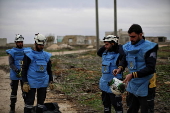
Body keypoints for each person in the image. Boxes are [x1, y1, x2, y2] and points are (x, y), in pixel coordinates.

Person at [113, 24, 158, 113]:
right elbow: (125, 59)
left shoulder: (149, 48)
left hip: (147, 83)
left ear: (140, 34)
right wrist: (120, 68)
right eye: (130, 36)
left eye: (133, 37)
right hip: (133, 82)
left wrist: (133, 75)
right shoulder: (128, 46)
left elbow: (150, 68)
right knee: (132, 108)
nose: (131, 39)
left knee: (146, 109)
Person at [21, 33, 54, 113]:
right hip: (31, 82)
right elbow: (24, 69)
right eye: (39, 45)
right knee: (29, 104)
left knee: (41, 104)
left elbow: (49, 69)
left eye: (42, 45)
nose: (41, 46)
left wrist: (51, 80)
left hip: (43, 81)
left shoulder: (46, 55)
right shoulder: (28, 55)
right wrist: (25, 82)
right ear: (35, 43)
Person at [97, 35, 125, 113]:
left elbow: (123, 54)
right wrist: (107, 44)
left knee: (117, 106)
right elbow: (98, 52)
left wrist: (117, 44)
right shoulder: (105, 53)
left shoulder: (119, 54)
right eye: (104, 44)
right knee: (106, 106)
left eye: (107, 44)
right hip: (104, 84)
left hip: (115, 85)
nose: (105, 46)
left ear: (113, 44)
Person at [6, 34, 31, 113]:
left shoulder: (26, 51)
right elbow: (11, 63)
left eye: (21, 42)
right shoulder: (12, 52)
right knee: (14, 92)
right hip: (15, 75)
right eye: (19, 42)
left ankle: (27, 108)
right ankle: (12, 108)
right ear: (16, 43)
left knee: (25, 91)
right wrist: (17, 70)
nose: (20, 43)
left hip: (23, 75)